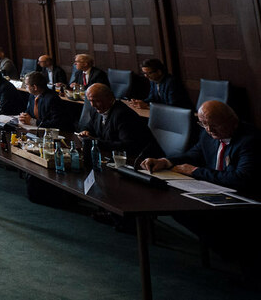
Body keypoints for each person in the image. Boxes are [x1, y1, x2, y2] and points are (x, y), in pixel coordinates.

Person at [140, 101, 259, 262]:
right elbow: (193, 155)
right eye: (204, 124)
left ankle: (241, 261)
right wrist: (165, 162)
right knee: (179, 209)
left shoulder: (249, 140)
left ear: (233, 121)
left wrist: (196, 171)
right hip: (216, 191)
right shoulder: (207, 134)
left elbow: (241, 179)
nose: (209, 130)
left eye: (214, 125)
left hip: (245, 199)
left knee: (198, 217)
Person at [78, 83, 157, 162]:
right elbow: (89, 126)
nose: (92, 105)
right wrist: (85, 131)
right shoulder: (96, 110)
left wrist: (96, 142)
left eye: (97, 101)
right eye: (90, 101)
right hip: (109, 156)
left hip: (135, 159)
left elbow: (127, 146)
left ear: (110, 98)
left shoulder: (123, 115)